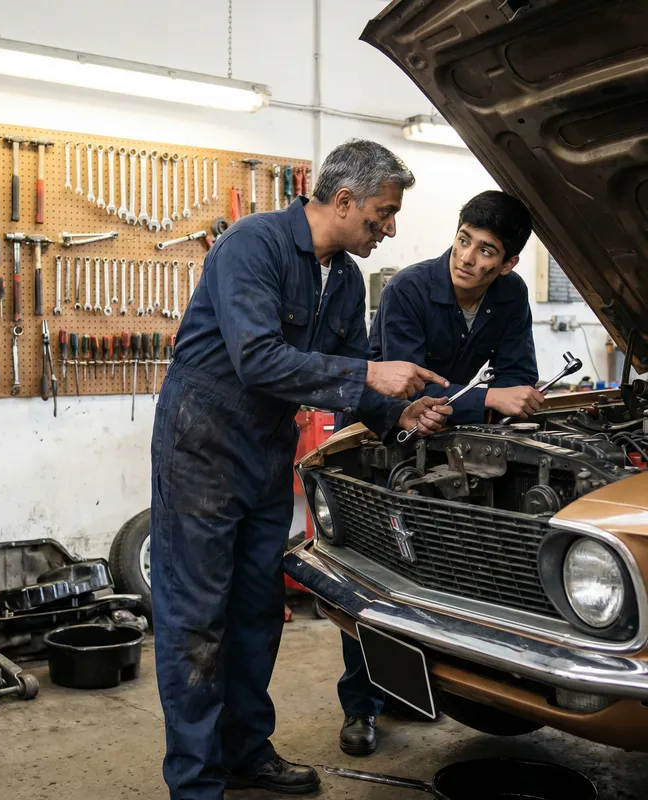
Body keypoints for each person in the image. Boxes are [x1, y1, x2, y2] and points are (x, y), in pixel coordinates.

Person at [150, 139, 454, 800]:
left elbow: (342, 379)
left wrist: (395, 415)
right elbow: (259, 359)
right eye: (383, 213)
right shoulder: (252, 247)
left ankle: (245, 752)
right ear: (343, 200)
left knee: (258, 609)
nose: (390, 227)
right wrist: (371, 372)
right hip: (200, 445)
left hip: (264, 453)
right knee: (198, 617)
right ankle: (196, 783)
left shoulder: (342, 278)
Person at [337, 189, 541, 757]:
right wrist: (490, 400)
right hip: (383, 433)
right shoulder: (409, 288)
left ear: (508, 263)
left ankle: (415, 685)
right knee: (377, 577)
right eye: (463, 240)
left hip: (447, 442)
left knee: (440, 574)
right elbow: (409, 388)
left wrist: (506, 400)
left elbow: (520, 373)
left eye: (486, 251)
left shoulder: (511, 295)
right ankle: (360, 706)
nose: (468, 258)